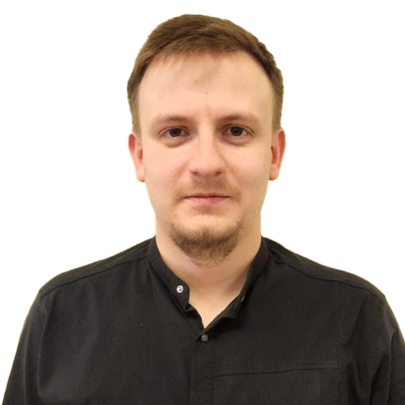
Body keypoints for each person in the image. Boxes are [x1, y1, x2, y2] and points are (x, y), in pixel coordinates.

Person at [2, 13, 405, 405]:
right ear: (140, 156)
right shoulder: (61, 315)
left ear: (274, 153)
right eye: (175, 132)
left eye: (236, 131)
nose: (207, 163)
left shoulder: (357, 319)